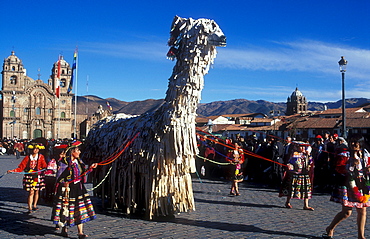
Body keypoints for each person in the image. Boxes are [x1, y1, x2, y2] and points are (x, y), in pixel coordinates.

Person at [323, 135, 370, 239]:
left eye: (355, 142)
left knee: (362, 210)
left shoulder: (365, 154)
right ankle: (330, 228)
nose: (353, 145)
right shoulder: (345, 155)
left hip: (362, 184)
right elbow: (339, 169)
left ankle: (360, 236)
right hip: (348, 184)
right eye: (351, 142)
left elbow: (368, 166)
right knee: (347, 212)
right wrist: (350, 165)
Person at [51, 141, 98, 239]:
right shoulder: (64, 162)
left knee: (79, 209)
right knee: (66, 209)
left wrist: (90, 168)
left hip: (78, 189)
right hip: (67, 189)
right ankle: (64, 228)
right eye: (78, 150)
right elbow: (59, 176)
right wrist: (65, 182)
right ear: (72, 151)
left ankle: (80, 232)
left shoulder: (79, 162)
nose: (79, 152)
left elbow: (82, 174)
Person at [7, 143, 47, 213]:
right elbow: (21, 167)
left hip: (38, 176)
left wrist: (43, 169)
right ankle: (30, 207)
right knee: (31, 192)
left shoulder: (41, 157)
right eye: (34, 149)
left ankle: (34, 205)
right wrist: (13, 171)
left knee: (37, 191)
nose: (35, 150)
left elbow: (44, 166)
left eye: (37, 149)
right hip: (30, 176)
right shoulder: (27, 157)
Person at [279, 141, 314, 210]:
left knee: (306, 189)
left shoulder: (307, 154)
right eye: (301, 147)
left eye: (303, 147)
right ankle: (287, 202)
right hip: (296, 174)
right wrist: (289, 166)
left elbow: (311, 162)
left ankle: (306, 205)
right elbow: (290, 162)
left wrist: (309, 161)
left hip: (305, 174)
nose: (302, 148)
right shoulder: (294, 154)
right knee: (291, 188)